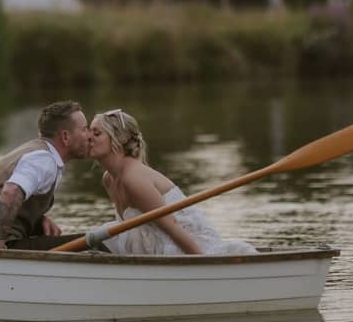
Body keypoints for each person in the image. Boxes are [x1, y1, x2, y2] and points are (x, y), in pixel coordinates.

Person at [88, 108, 257, 255]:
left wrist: (202, 262)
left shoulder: (133, 179)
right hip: (157, 238)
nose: (89, 138)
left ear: (118, 139)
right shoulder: (109, 179)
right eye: (89, 132)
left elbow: (172, 227)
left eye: (97, 133)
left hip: (187, 240)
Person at [0, 100, 91, 250]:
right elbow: (10, 192)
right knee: (93, 242)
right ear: (65, 136)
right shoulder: (44, 160)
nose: (89, 135)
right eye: (84, 129)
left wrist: (38, 221)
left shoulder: (38, 153)